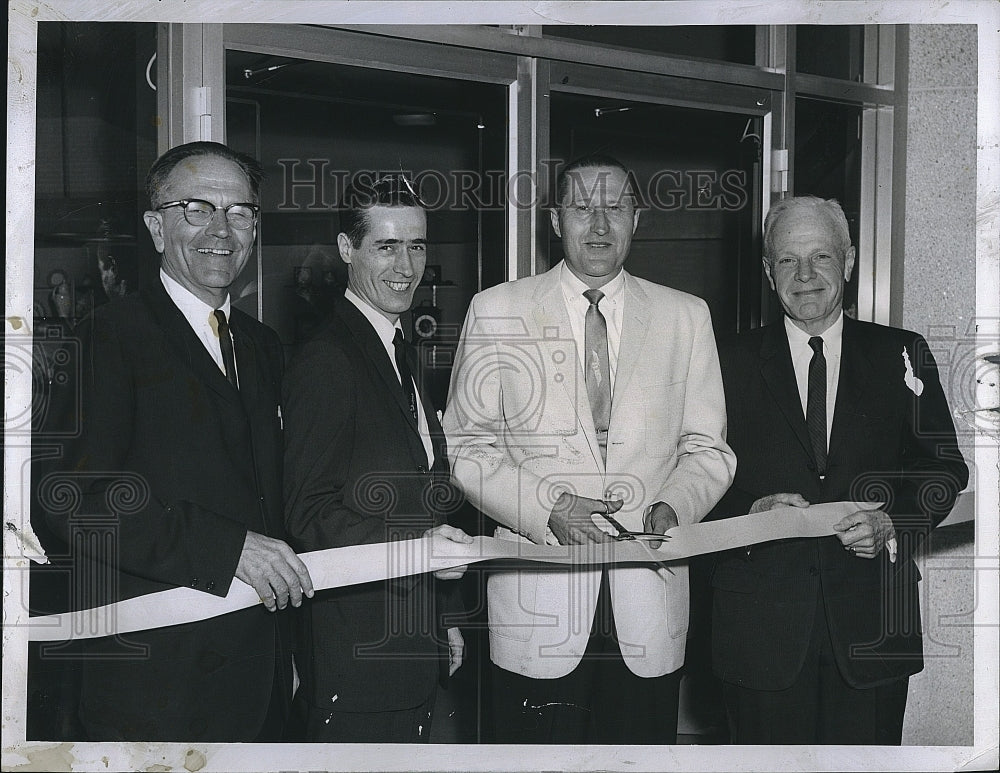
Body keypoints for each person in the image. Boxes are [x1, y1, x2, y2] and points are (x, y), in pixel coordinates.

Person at [443, 155, 736, 744]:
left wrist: (676, 506)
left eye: (615, 208)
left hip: (648, 606)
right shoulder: (497, 310)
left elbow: (709, 450)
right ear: (556, 220)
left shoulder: (686, 316)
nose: (599, 225)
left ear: (637, 218)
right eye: (582, 208)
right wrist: (546, 508)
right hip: (537, 611)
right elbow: (467, 446)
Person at [35, 141, 314, 741]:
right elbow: (70, 499)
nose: (222, 228)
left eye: (240, 212)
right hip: (157, 690)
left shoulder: (264, 347)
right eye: (198, 209)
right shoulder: (107, 339)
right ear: (156, 227)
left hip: (258, 686)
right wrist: (225, 548)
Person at [708, 196, 969, 744]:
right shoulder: (720, 361)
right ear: (767, 271)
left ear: (848, 262)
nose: (804, 276)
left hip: (874, 630)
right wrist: (754, 513)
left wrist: (891, 521)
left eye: (821, 257)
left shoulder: (903, 353)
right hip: (762, 635)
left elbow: (944, 470)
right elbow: (692, 476)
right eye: (786, 260)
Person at [282, 175, 473, 743]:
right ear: (347, 250)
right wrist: (422, 549)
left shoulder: (395, 348)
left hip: (407, 651)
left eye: (417, 246)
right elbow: (309, 516)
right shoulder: (327, 360)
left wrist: (444, 620)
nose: (406, 265)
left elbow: (421, 494)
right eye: (386, 246)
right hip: (355, 663)